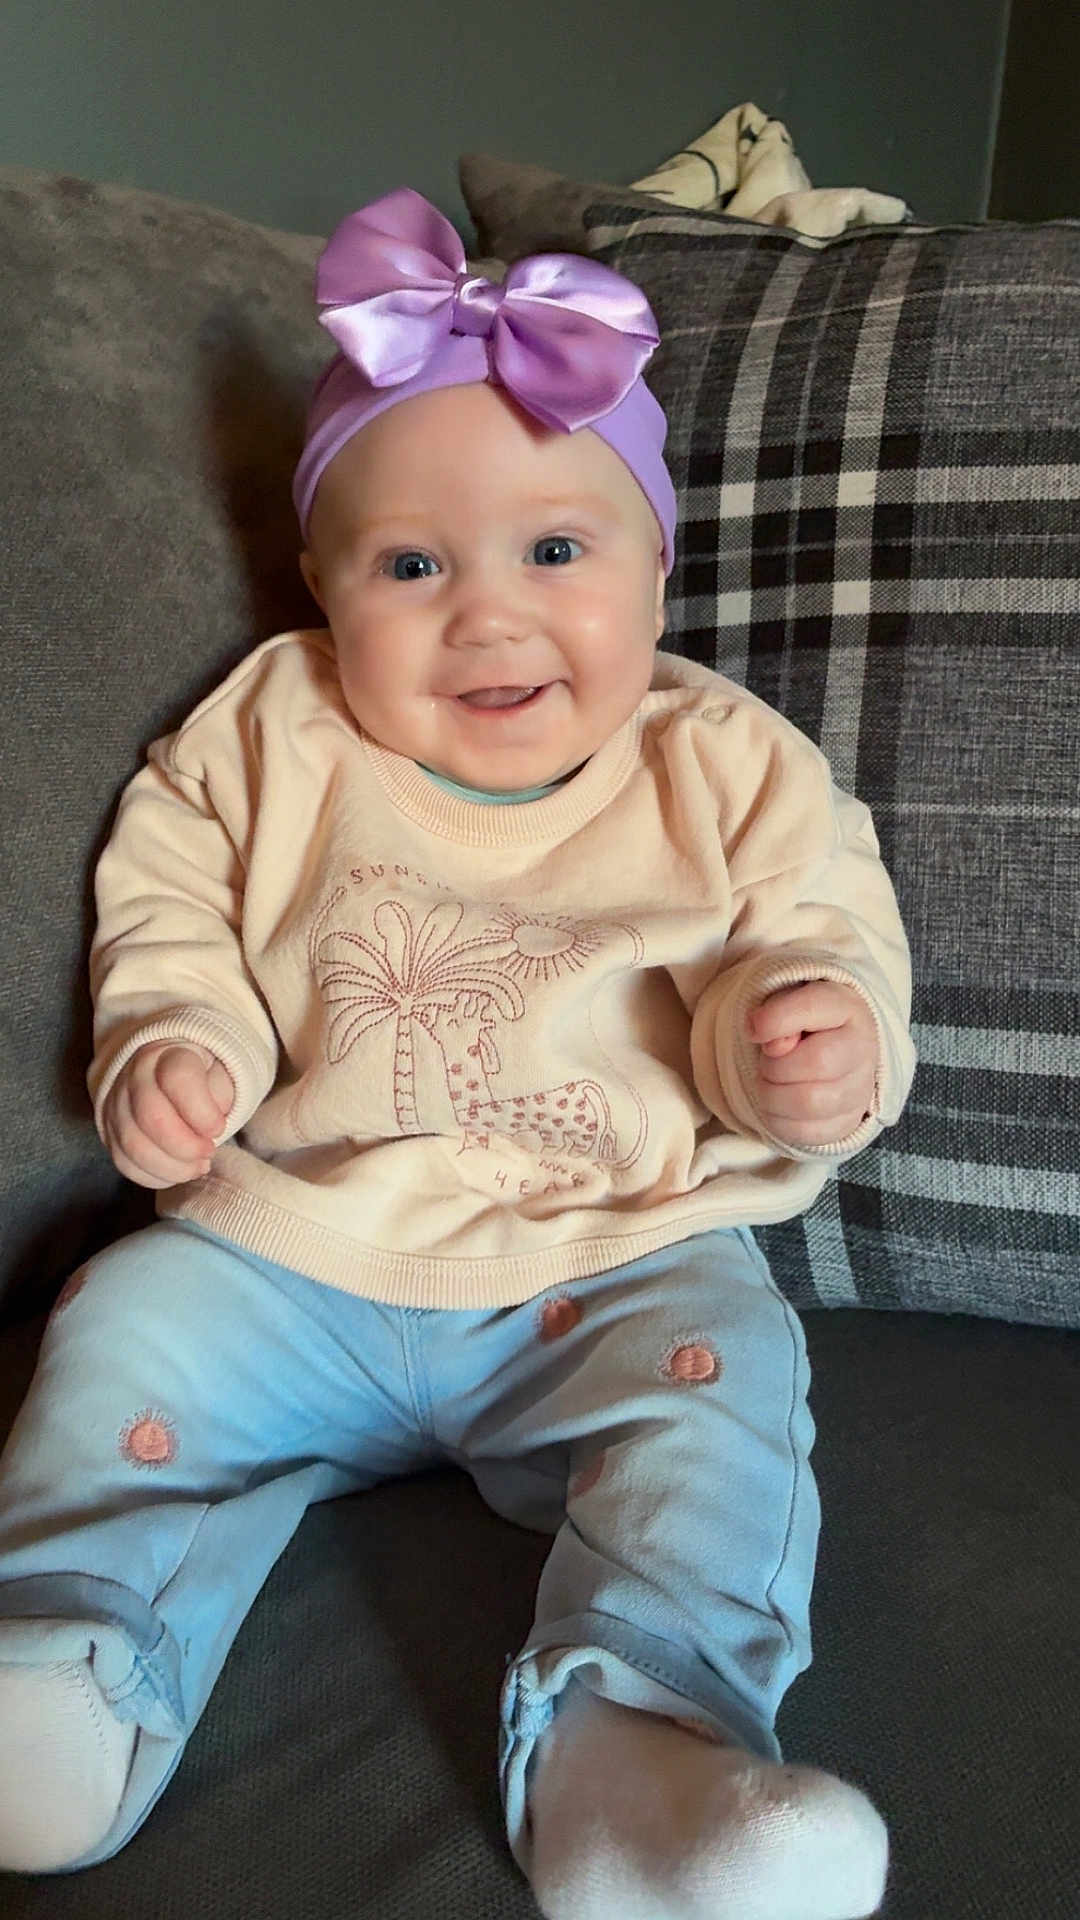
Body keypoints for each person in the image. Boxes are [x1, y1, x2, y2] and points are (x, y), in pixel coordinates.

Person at [0, 187, 915, 1918]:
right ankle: (61, 1679)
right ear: (321, 586)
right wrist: (173, 1038)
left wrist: (800, 1043)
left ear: (658, 566)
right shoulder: (271, 732)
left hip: (607, 1260)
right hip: (298, 1252)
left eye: (557, 552)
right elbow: (173, 897)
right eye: (414, 566)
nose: (487, 617)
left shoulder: (727, 769)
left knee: (724, 1397)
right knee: (123, 1328)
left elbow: (814, 937)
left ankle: (641, 1757)